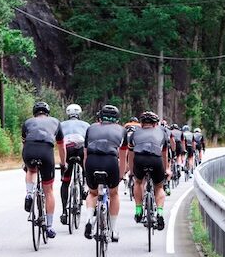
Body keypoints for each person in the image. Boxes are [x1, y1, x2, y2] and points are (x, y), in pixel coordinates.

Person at [83, 105, 129, 242]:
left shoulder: (91, 128)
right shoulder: (122, 130)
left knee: (92, 193)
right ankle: (113, 230)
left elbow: (85, 154)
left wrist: (87, 171)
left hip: (92, 161)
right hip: (110, 161)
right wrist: (121, 175)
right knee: (114, 194)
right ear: (117, 119)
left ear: (100, 117)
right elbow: (123, 157)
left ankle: (89, 220)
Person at [22, 101, 66, 239]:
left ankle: (29, 194)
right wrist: (63, 164)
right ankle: (49, 226)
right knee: (49, 191)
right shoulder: (56, 122)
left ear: (34, 113)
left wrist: (25, 162)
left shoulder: (27, 122)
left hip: (29, 150)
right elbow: (61, 146)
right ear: (48, 113)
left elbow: (24, 143)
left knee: (31, 170)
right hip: (46, 151)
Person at [129, 111, 170, 230]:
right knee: (159, 187)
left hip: (139, 158)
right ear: (155, 124)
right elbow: (164, 155)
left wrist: (132, 171)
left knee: (138, 182)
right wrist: (165, 169)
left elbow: (131, 155)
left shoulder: (134, 133)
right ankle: (160, 213)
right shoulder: (162, 132)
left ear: (141, 123)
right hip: (156, 159)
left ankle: (138, 210)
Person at [59, 104, 90, 225]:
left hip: (68, 149)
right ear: (79, 114)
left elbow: (58, 141)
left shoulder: (61, 124)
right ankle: (85, 186)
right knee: (86, 166)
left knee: (65, 181)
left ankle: (64, 212)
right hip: (81, 149)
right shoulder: (86, 124)